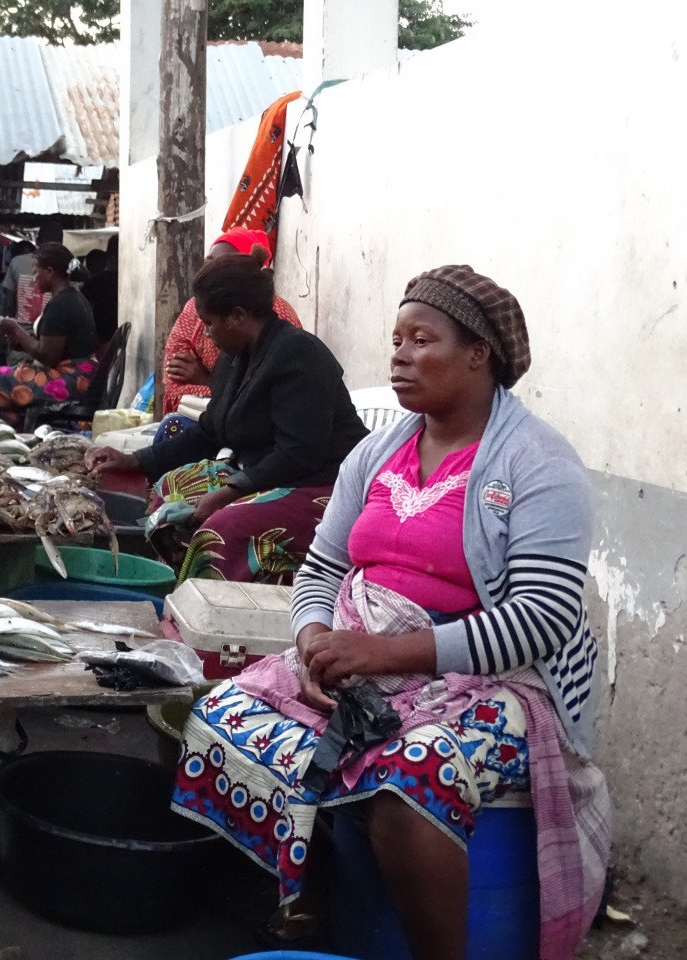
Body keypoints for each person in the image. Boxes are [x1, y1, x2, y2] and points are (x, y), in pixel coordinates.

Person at [170, 266, 611, 960]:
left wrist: (388, 654)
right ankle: (308, 901)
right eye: (396, 339)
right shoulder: (376, 454)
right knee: (226, 717)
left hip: (494, 680)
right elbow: (320, 570)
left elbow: (541, 618)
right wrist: (316, 642)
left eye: (421, 340)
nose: (399, 355)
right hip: (362, 655)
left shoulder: (537, 464)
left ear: (479, 354)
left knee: (408, 780)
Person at [87, 250, 366, 584]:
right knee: (169, 487)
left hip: (324, 486)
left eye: (208, 322)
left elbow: (301, 452)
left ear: (237, 315)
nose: (205, 333)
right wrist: (132, 459)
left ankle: (214, 619)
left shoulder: (298, 355)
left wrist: (231, 490)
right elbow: (210, 431)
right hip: (267, 476)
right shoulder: (233, 360)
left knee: (221, 531)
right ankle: (176, 587)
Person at [162, 227, 302, 417]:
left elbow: (257, 404)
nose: (205, 331)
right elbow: (175, 389)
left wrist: (208, 381)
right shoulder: (196, 309)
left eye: (221, 266)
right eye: (208, 263)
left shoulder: (282, 331)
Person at [0, 242, 98, 429]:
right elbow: (53, 346)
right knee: (0, 377)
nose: (33, 279)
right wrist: (21, 342)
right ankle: (14, 429)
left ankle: (4, 434)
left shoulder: (60, 305)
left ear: (49, 271)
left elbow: (48, 356)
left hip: (69, 382)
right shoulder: (72, 298)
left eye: (35, 272)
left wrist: (16, 330)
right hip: (81, 377)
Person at [1, 220, 62, 324]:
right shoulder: (65, 267)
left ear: (37, 241)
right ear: (61, 244)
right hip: (52, 334)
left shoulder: (17, 262)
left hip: (21, 332)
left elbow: (9, 304)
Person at [81, 236, 119, 347]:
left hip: (100, 338)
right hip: (121, 336)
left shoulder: (94, 282)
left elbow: (86, 311)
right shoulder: (132, 280)